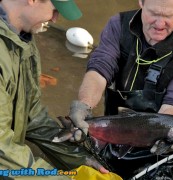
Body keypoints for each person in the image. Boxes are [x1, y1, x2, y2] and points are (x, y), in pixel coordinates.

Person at [68, 0, 173, 178]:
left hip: (156, 145)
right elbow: (100, 69)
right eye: (154, 14)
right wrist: (84, 104)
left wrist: (169, 136)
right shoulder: (118, 25)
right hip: (114, 129)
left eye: (169, 16)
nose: (160, 24)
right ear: (141, 3)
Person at [0, 0, 100, 179]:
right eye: (54, 10)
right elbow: (2, 151)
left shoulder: (23, 39)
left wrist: (81, 160)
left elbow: (31, 114)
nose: (55, 19)